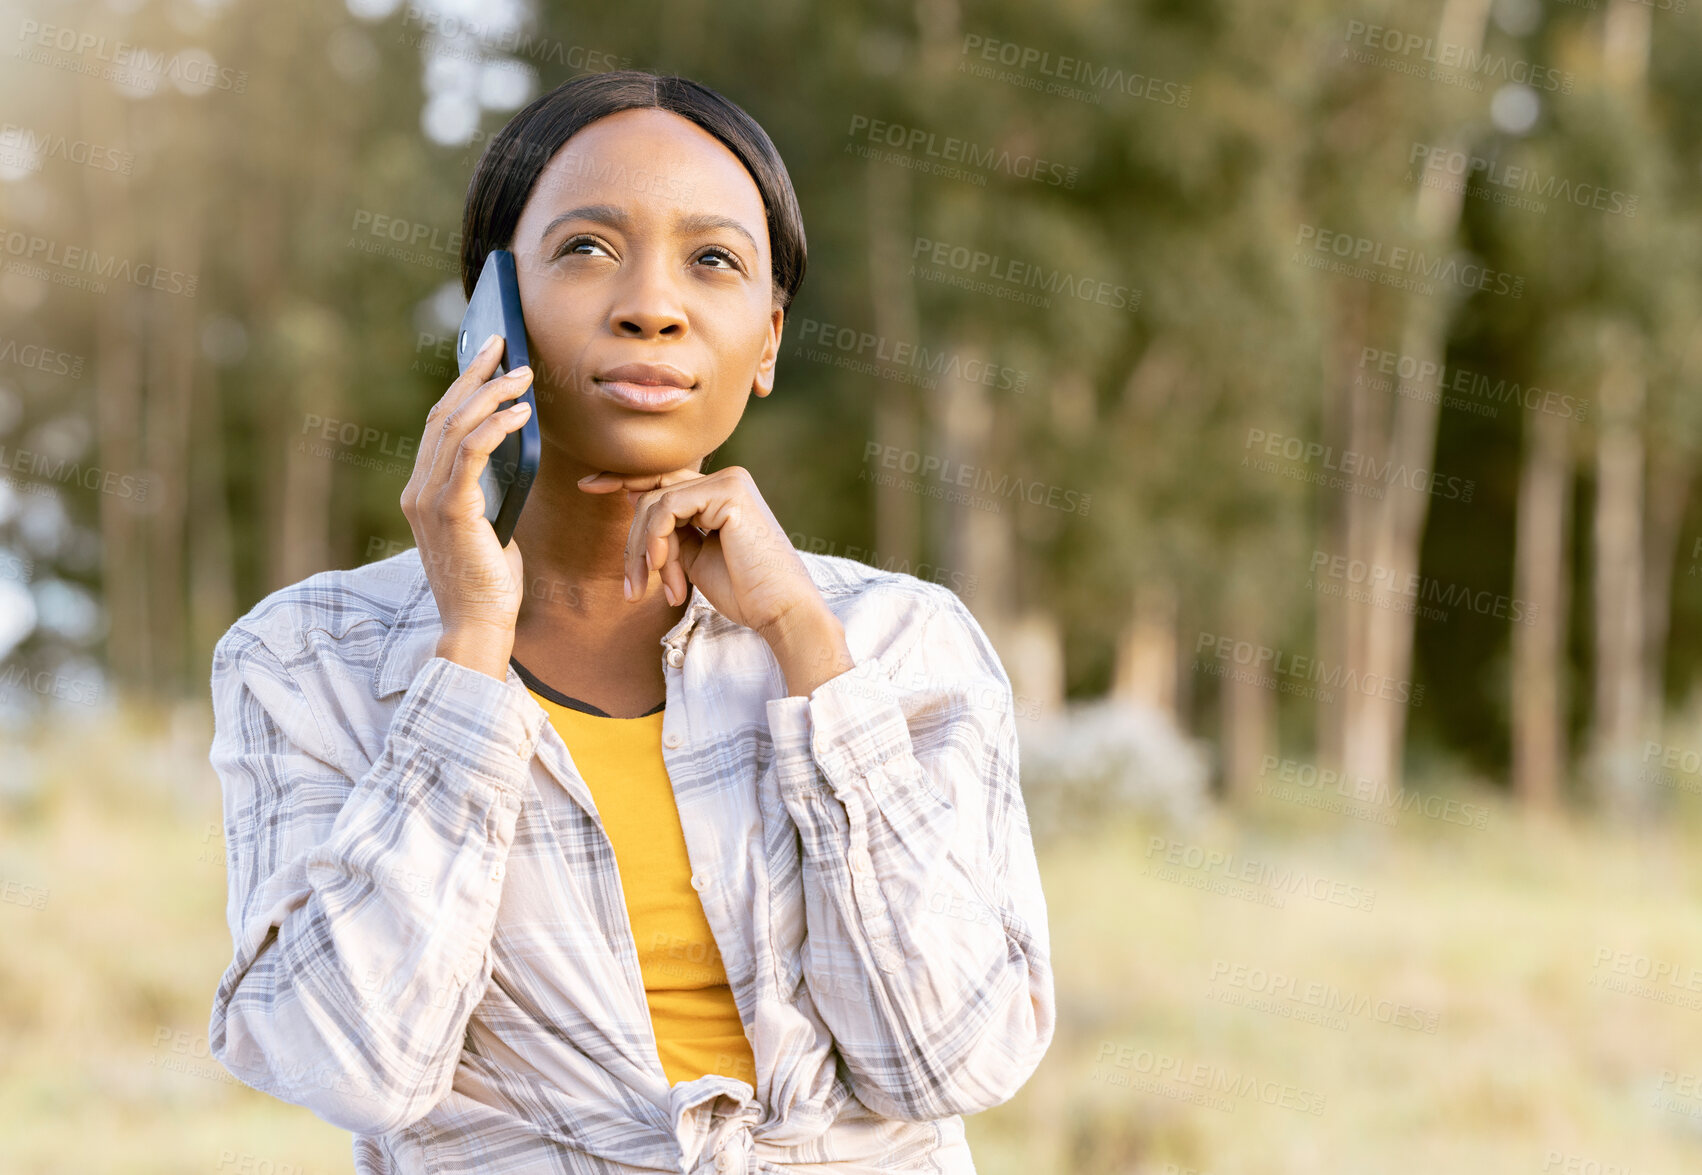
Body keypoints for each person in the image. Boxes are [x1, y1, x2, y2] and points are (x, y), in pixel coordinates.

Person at [206, 68, 1054, 1175]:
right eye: (588, 248)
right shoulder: (303, 658)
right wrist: (465, 651)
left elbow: (953, 1060)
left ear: (767, 343)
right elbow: (347, 1065)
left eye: (713, 261)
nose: (653, 303)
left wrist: (807, 646)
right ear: (487, 322)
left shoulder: (901, 643)